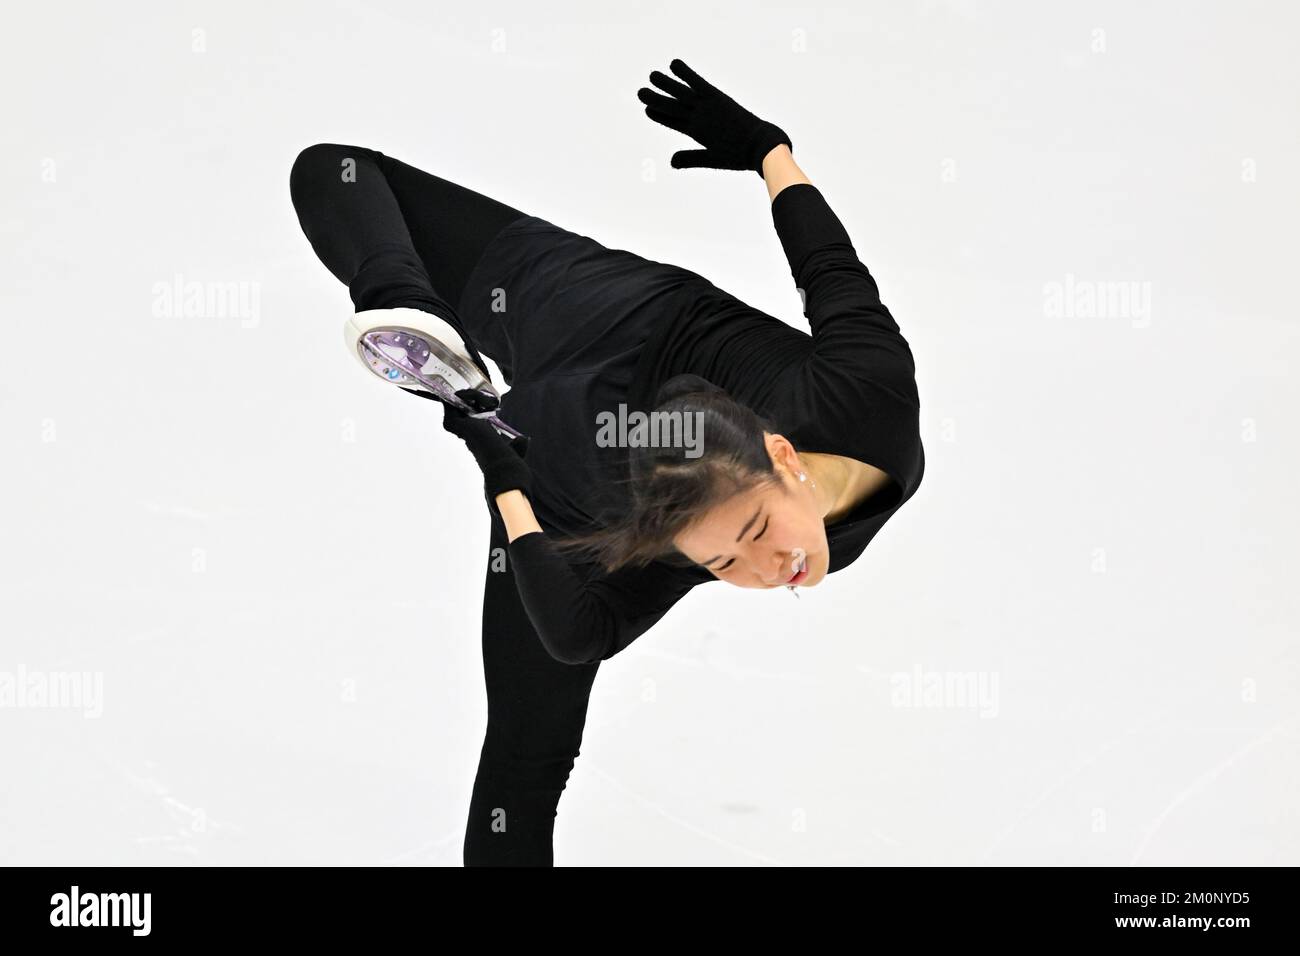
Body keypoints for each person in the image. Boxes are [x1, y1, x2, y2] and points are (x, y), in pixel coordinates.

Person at [288, 58, 924, 866]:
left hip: (575, 469)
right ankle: (415, 308)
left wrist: (508, 483)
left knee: (529, 749)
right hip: (604, 310)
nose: (770, 565)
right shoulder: (863, 394)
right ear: (779, 454)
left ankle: (481, 400)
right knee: (337, 170)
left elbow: (578, 631)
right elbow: (828, 265)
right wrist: (769, 152)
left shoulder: (688, 531)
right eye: (750, 537)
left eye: (734, 555)